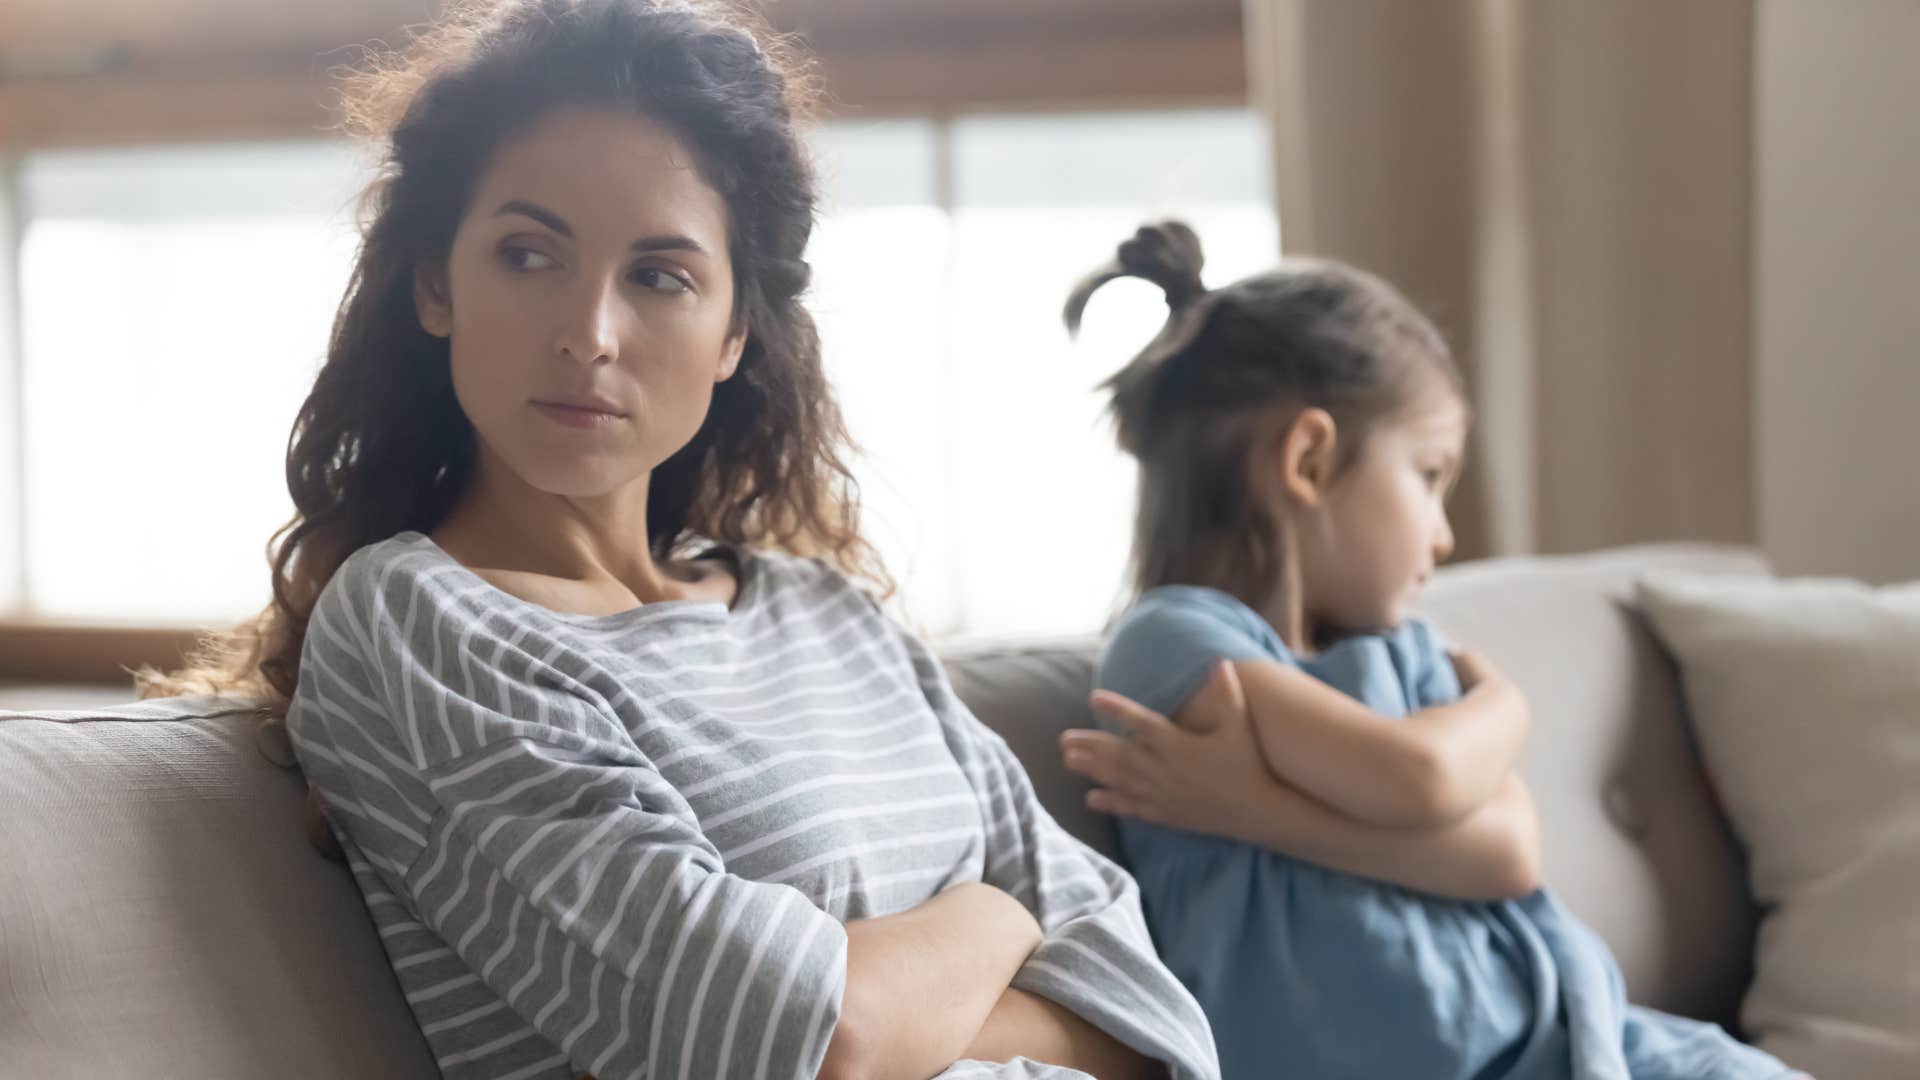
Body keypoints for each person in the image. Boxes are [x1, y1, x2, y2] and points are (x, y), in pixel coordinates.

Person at [143, 5, 1219, 1078]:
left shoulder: (829, 613)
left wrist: (891, 1000)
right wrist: (994, 919)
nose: (590, 334)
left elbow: (1155, 1016)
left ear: (734, 334)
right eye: (528, 255)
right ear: (437, 285)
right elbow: (788, 1037)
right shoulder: (416, 623)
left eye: (660, 277)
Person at [1056, 222, 1801, 1079]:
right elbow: (1423, 779)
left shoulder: (1403, 653)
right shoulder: (1175, 644)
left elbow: (1509, 855)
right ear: (1308, 459)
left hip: (1551, 1041)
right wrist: (1498, 710)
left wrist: (1255, 808)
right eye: (1430, 475)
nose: (1444, 536)